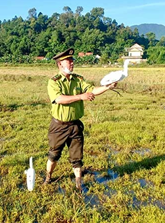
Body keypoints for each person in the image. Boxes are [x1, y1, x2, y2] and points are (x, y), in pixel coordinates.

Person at [44, 48, 117, 190]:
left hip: (75, 125)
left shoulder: (78, 79)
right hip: (59, 125)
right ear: (60, 64)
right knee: (54, 154)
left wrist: (107, 87)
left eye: (72, 61)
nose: (72, 63)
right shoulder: (54, 82)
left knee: (77, 158)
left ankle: (78, 184)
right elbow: (58, 99)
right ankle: (48, 178)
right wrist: (80, 97)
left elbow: (91, 90)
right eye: (68, 61)